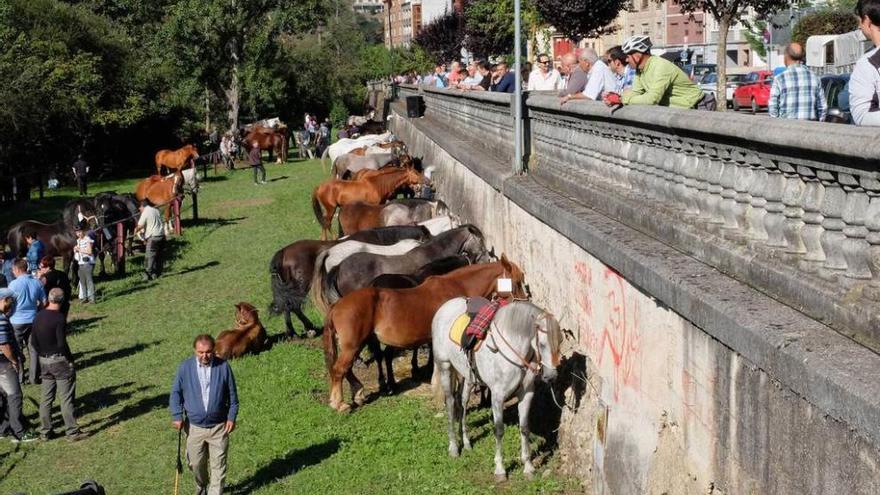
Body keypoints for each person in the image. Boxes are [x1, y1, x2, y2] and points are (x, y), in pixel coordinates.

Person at [170, 334, 239, 495]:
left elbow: (233, 397)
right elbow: (175, 394)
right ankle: (201, 485)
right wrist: (177, 415)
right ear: (195, 350)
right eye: (201, 352)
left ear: (213, 350)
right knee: (195, 464)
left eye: (208, 352)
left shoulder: (223, 367)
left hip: (219, 427)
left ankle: (215, 491)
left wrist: (231, 417)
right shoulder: (185, 368)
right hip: (194, 428)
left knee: (218, 466)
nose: (204, 356)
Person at [31, 288, 86, 442]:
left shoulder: (38, 315)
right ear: (62, 301)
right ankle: (72, 432)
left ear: (49, 299)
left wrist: (43, 354)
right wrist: (69, 359)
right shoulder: (59, 318)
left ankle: (45, 432)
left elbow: (33, 341)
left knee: (46, 398)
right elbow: (62, 343)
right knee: (66, 397)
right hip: (59, 361)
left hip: (44, 361)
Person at [604, 36, 706, 110]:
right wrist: (617, 97)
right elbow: (635, 92)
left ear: (637, 56)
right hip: (682, 109)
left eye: (627, 57)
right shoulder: (640, 70)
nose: (625, 60)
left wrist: (622, 100)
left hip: (699, 105)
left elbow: (652, 99)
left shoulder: (660, 66)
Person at [0, 288, 38, 443]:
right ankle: (19, 432)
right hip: (3, 362)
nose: (13, 303)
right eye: (10, 300)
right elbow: (4, 344)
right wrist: (14, 361)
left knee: (2, 396)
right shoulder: (1, 319)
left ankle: (3, 428)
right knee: (14, 395)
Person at [8, 259, 46, 385]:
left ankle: (20, 378)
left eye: (13, 270)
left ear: (18, 269)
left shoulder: (13, 285)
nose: (12, 272)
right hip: (33, 320)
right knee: (34, 349)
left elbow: (8, 303)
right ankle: (34, 377)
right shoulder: (37, 283)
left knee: (17, 350)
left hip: (16, 321)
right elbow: (44, 302)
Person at [768, 43, 827, 121]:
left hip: (787, 129)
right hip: (811, 129)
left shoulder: (779, 79)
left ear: (786, 56)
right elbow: (822, 108)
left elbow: (773, 107)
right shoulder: (815, 77)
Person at [850, 0, 880, 126]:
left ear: (867, 21)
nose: (859, 27)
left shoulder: (868, 63)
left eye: (859, 21)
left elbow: (862, 116)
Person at [135, 199, 166, 281]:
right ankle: (157, 273)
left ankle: (148, 274)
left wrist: (135, 230)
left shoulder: (145, 212)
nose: (139, 209)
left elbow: (140, 226)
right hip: (161, 235)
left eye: (140, 207)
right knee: (159, 256)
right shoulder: (156, 210)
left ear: (143, 206)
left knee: (149, 256)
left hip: (153, 237)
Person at [73, 223, 96, 304]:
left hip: (88, 262)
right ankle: (85, 298)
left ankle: (92, 298)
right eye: (77, 232)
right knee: (82, 281)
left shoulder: (87, 239)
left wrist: (79, 250)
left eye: (80, 232)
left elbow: (89, 251)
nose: (78, 234)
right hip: (80, 263)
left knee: (89, 281)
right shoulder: (78, 241)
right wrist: (75, 250)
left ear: (83, 231)